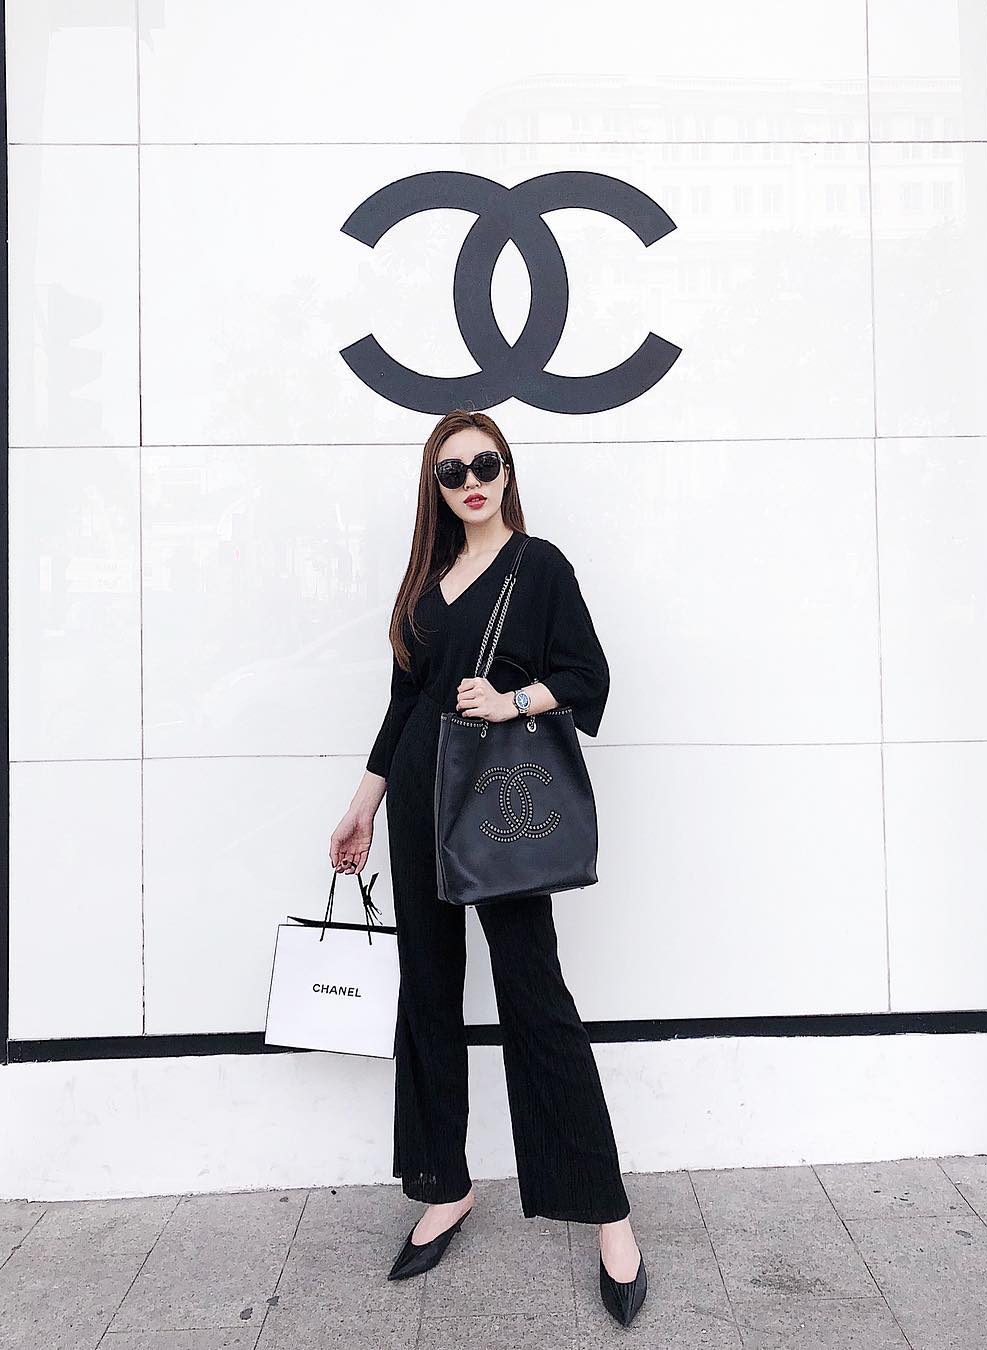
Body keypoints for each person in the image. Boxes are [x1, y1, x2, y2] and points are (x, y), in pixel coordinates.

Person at [329, 409, 647, 1327]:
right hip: (417, 798)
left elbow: (588, 678)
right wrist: (363, 804)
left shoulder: (537, 566)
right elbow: (404, 704)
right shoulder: (426, 583)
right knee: (428, 991)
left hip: (498, 804)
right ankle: (445, 1184)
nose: (471, 481)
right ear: (433, 487)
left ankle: (608, 1213)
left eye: (486, 464)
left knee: (534, 996)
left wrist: (513, 701)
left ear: (508, 471)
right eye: (452, 471)